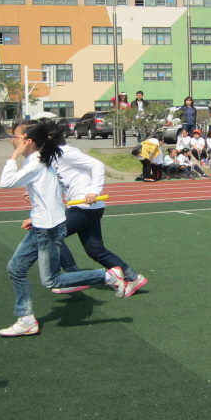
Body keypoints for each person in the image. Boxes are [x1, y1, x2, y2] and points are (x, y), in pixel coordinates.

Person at [0, 120, 130, 337]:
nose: (12, 140)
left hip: (48, 230)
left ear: (27, 141)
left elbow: (5, 181)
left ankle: (108, 277)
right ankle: (26, 319)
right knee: (16, 268)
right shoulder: (41, 160)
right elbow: (54, 189)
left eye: (15, 136)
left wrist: (13, 157)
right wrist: (35, 211)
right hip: (43, 225)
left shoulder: (36, 162)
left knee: (51, 280)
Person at [46, 125, 148, 297]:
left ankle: (74, 278)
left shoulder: (65, 152)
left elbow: (97, 165)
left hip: (85, 207)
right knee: (95, 250)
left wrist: (94, 191)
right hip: (88, 208)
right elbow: (63, 182)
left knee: (52, 235)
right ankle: (133, 277)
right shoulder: (56, 156)